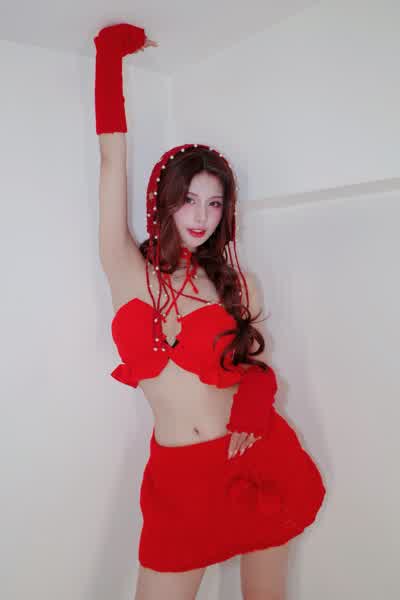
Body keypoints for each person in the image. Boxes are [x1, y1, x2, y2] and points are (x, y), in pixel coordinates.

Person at [94, 22, 326, 600]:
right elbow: (110, 162)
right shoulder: (128, 271)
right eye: (190, 199)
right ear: (165, 201)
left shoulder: (237, 284)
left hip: (253, 459)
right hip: (179, 483)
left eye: (215, 203)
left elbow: (253, 368)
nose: (201, 216)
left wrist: (256, 397)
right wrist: (108, 60)